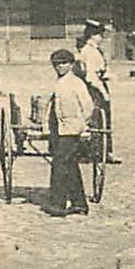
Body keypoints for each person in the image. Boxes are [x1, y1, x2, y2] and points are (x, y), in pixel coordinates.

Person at [46, 48, 94, 217]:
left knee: (59, 163)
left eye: (63, 63)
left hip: (72, 129)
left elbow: (88, 107)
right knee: (70, 164)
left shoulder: (76, 83)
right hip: (61, 128)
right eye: (56, 64)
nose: (59, 67)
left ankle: (58, 204)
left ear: (71, 64)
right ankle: (79, 203)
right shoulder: (59, 83)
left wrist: (81, 124)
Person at [76, 20, 118, 163]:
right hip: (94, 90)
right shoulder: (90, 51)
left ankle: (102, 151)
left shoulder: (92, 50)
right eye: (100, 34)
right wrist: (103, 92)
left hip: (96, 86)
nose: (102, 38)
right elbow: (91, 76)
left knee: (101, 119)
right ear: (93, 35)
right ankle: (98, 152)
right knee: (99, 120)